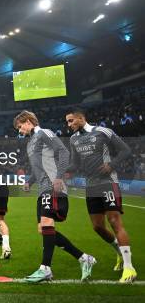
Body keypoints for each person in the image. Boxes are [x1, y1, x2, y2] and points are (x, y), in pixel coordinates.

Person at [14, 111, 96, 283]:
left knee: (46, 224)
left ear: (28, 122)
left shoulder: (44, 133)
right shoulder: (31, 143)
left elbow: (64, 153)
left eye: (20, 127)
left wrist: (59, 177)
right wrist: (30, 181)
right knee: (42, 229)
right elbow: (39, 168)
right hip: (43, 189)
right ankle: (83, 258)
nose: (19, 131)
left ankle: (45, 269)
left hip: (53, 186)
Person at [66, 108, 137, 283]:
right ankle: (120, 252)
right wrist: (61, 170)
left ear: (81, 118)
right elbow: (75, 164)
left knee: (114, 221)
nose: (68, 125)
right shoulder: (73, 139)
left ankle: (129, 267)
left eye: (71, 121)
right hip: (91, 187)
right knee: (97, 227)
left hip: (108, 183)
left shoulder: (103, 131)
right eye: (67, 122)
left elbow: (126, 150)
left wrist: (112, 165)